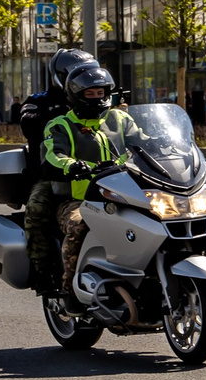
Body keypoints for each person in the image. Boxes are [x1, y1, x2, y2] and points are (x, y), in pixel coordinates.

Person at [24, 57, 136, 297]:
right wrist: (73, 166)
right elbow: (52, 152)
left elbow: (144, 142)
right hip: (77, 194)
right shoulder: (54, 117)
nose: (96, 97)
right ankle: (66, 288)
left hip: (124, 193)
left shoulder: (120, 119)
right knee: (50, 213)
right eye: (89, 92)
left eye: (100, 92)